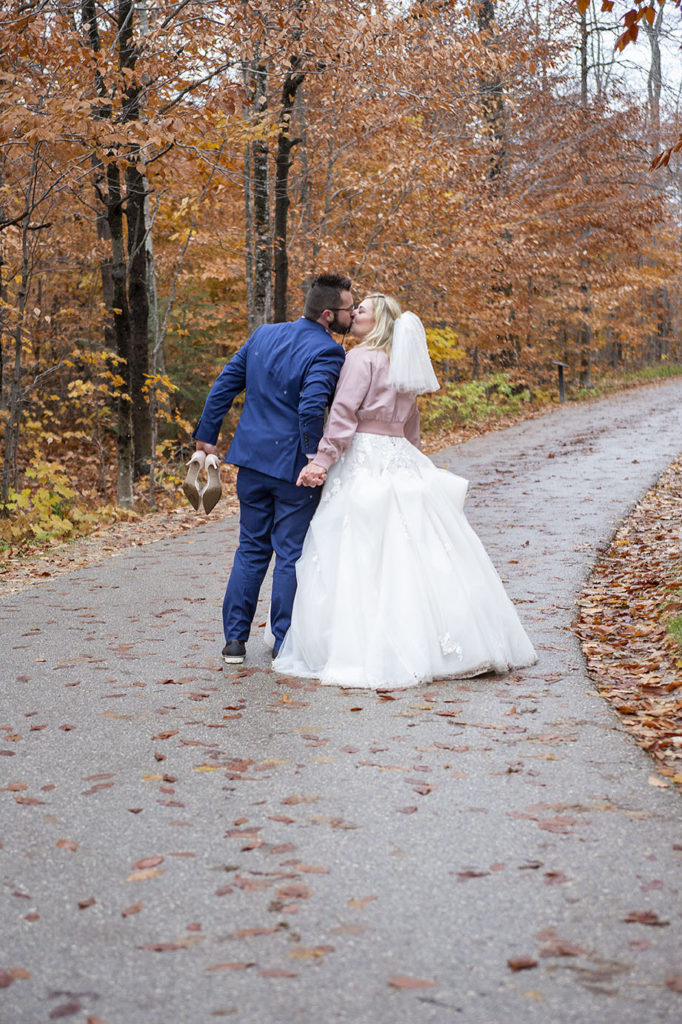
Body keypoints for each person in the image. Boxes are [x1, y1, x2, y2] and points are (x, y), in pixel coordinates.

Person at [273, 293, 537, 689]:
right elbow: (411, 426)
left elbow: (343, 415)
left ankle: (362, 646)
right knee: (419, 548)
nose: (355, 314)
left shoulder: (361, 359)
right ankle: (446, 641)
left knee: (358, 548)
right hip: (401, 456)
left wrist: (322, 460)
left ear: (378, 322)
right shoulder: (402, 362)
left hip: (364, 456)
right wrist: (412, 463)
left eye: (362, 310)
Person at [192, 273, 353, 665]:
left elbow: (224, 384)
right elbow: (312, 406)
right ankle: (283, 641)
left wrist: (206, 436)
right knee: (290, 553)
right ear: (329, 315)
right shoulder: (329, 352)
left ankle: (234, 641)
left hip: (251, 462)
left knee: (250, 548)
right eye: (350, 308)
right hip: (294, 470)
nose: (354, 313)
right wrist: (314, 456)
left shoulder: (263, 335)